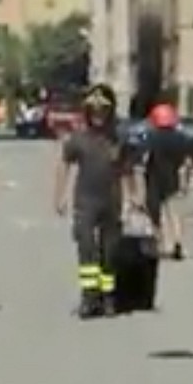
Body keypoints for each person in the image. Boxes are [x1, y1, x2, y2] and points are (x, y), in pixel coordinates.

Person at [54, 84, 136, 319]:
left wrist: (133, 198)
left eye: (103, 110)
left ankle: (108, 298)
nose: (98, 115)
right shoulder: (78, 139)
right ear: (88, 112)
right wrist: (59, 195)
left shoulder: (119, 140)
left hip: (112, 201)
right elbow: (64, 165)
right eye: (94, 110)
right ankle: (89, 299)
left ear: (110, 112)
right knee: (87, 249)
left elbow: (127, 171)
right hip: (86, 202)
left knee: (109, 253)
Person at [141, 103, 188, 260]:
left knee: (155, 213)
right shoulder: (181, 137)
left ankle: (159, 243)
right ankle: (177, 242)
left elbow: (145, 157)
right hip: (173, 178)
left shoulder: (151, 137)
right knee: (174, 213)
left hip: (154, 179)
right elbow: (185, 161)